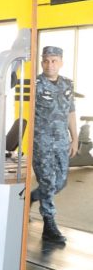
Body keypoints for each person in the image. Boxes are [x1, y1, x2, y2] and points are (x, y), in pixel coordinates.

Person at [30, 46, 78, 244]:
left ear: (61, 62)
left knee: (61, 182)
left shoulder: (67, 84)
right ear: (42, 62)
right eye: (46, 60)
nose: (50, 64)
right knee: (49, 182)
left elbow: (71, 112)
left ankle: (31, 197)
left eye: (54, 60)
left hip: (61, 142)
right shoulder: (36, 84)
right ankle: (49, 226)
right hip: (41, 143)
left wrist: (75, 138)